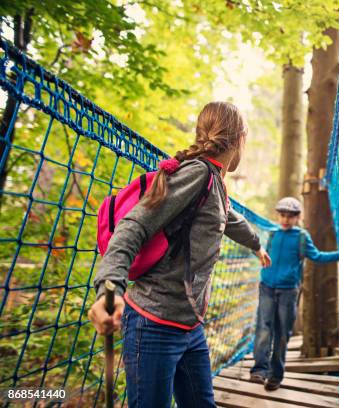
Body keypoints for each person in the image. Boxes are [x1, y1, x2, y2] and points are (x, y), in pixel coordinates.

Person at [88, 101, 271, 408]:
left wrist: (256, 245)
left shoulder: (215, 184)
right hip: (153, 323)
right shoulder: (197, 174)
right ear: (239, 140)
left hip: (189, 328)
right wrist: (109, 287)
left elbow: (231, 220)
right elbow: (133, 226)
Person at [249, 197, 339, 391]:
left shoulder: (301, 237)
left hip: (288, 291)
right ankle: (259, 370)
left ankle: (275, 375)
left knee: (282, 332)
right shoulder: (273, 234)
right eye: (282, 215)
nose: (285, 219)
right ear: (278, 215)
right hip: (266, 287)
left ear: (298, 217)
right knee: (263, 329)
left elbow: (317, 256)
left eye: (290, 216)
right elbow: (261, 252)